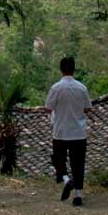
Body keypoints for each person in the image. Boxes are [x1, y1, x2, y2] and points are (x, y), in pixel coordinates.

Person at [45, 55, 93, 205]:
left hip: (60, 131)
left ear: (61, 70)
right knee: (78, 163)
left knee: (59, 159)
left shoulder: (56, 88)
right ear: (74, 69)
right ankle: (78, 195)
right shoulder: (81, 88)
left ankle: (66, 180)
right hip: (78, 132)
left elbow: (48, 108)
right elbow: (87, 108)